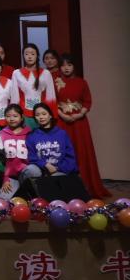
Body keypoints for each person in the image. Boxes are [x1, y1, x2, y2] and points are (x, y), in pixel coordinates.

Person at [55, 54, 109, 197]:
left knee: (82, 151)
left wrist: (79, 115)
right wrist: (63, 115)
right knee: (63, 151)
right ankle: (65, 188)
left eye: (69, 65)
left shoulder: (82, 82)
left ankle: (85, 186)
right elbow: (52, 102)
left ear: (74, 66)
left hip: (79, 123)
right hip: (62, 121)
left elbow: (87, 101)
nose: (66, 68)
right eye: (63, 65)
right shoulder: (56, 82)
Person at [26, 103, 79, 183]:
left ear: (50, 115)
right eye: (37, 115)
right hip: (40, 170)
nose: (41, 117)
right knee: (30, 170)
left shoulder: (62, 134)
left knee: (55, 179)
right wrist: (45, 165)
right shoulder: (32, 136)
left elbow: (70, 157)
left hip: (59, 170)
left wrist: (57, 168)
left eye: (44, 114)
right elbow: (31, 157)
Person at [0, 104, 38, 201]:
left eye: (15, 116)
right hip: (10, 177)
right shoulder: (1, 134)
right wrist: (5, 179)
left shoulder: (30, 133)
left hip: (26, 174)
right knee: (4, 201)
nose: (11, 119)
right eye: (8, 116)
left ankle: (27, 193)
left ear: (21, 117)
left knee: (34, 170)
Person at [12, 44, 56, 129]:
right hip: (24, 115)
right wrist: (15, 115)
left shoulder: (46, 73)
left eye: (32, 54)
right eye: (26, 54)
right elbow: (15, 97)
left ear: (37, 56)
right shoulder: (16, 73)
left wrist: (51, 116)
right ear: (23, 56)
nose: (29, 56)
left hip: (42, 116)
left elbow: (51, 96)